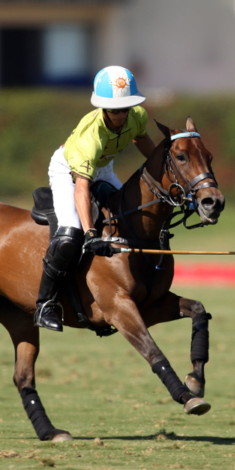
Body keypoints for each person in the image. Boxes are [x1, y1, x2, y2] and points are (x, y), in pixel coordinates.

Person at [34, 66, 156, 332]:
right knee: (70, 233)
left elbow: (142, 139)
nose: (122, 115)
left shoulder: (137, 116)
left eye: (126, 108)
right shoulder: (91, 137)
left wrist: (163, 165)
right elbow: (81, 188)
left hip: (103, 168)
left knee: (130, 217)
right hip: (69, 171)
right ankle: (45, 304)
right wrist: (90, 233)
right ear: (102, 108)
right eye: (115, 110)